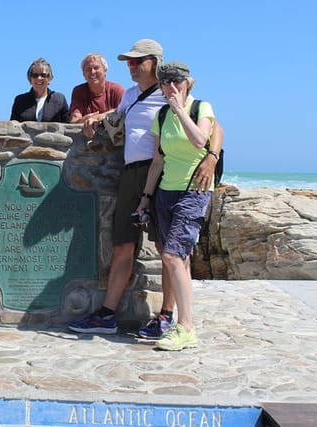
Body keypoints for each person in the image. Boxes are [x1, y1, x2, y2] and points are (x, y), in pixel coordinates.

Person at [68, 39, 223, 338]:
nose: (132, 67)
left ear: (155, 62)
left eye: (137, 62)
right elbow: (116, 115)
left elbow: (216, 129)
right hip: (133, 174)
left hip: (165, 176)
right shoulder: (129, 95)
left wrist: (212, 158)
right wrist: (94, 120)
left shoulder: (173, 95)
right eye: (129, 62)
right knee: (122, 244)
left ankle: (166, 316)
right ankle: (107, 314)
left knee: (170, 249)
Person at [136, 62, 216, 351]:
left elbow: (200, 141)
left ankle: (186, 328)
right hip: (165, 193)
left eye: (176, 81)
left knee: (171, 256)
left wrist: (180, 109)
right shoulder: (161, 115)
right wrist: (146, 197)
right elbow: (158, 160)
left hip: (193, 193)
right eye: (165, 82)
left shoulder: (200, 108)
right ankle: (179, 323)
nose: (170, 86)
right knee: (177, 259)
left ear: (187, 83)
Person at [69, 53, 124, 124]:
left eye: (96, 68)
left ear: (105, 70)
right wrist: (87, 120)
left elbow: (123, 111)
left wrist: (97, 118)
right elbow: (74, 122)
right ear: (84, 74)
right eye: (88, 69)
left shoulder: (116, 90)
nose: (92, 72)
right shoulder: (79, 91)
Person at [10, 58, 69, 123]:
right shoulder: (20, 100)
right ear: (30, 78)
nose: (39, 78)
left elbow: (68, 124)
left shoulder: (59, 99)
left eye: (43, 75)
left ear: (50, 78)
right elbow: (13, 125)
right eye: (35, 75)